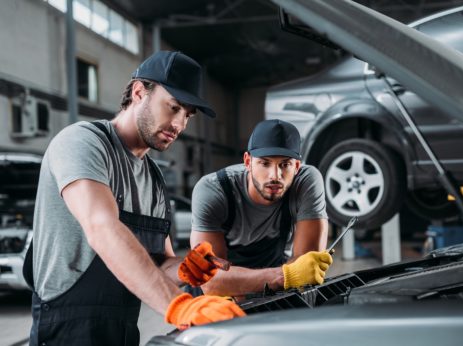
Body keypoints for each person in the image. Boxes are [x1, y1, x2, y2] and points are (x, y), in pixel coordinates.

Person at [24, 51, 245, 346]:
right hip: (66, 332)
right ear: (139, 92)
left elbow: (159, 262)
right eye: (174, 107)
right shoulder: (83, 142)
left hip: (123, 332)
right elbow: (102, 227)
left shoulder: (153, 177)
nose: (179, 124)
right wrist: (179, 305)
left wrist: (184, 268)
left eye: (187, 116)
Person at [190, 119, 332, 297]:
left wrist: (283, 278)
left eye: (285, 164)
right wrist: (283, 276)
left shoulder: (306, 181)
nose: (275, 176)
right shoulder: (213, 190)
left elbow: (305, 270)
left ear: (296, 166)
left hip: (271, 287)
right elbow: (210, 281)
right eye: (265, 163)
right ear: (247, 161)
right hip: (215, 298)